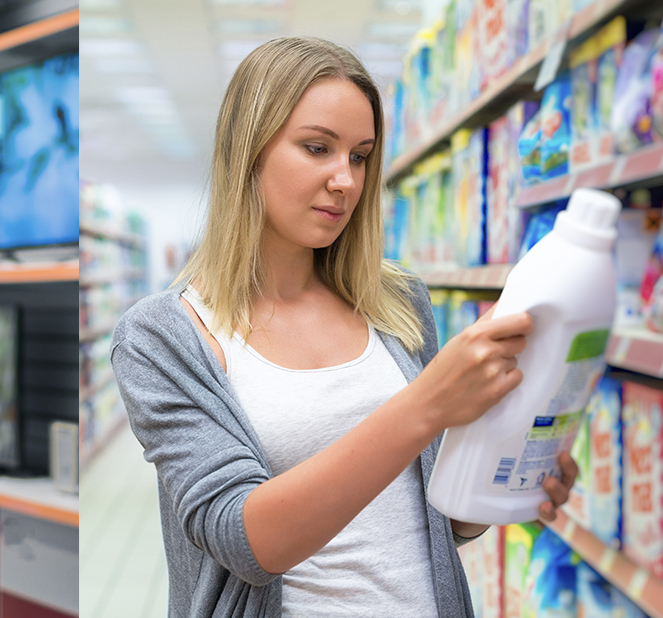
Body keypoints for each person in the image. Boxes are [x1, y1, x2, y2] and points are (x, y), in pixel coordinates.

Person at [110, 38, 576, 618]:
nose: (346, 181)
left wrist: (505, 475)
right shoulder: (162, 337)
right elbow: (247, 542)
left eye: (359, 156)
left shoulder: (397, 302)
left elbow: (438, 522)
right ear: (246, 151)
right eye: (316, 148)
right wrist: (426, 407)